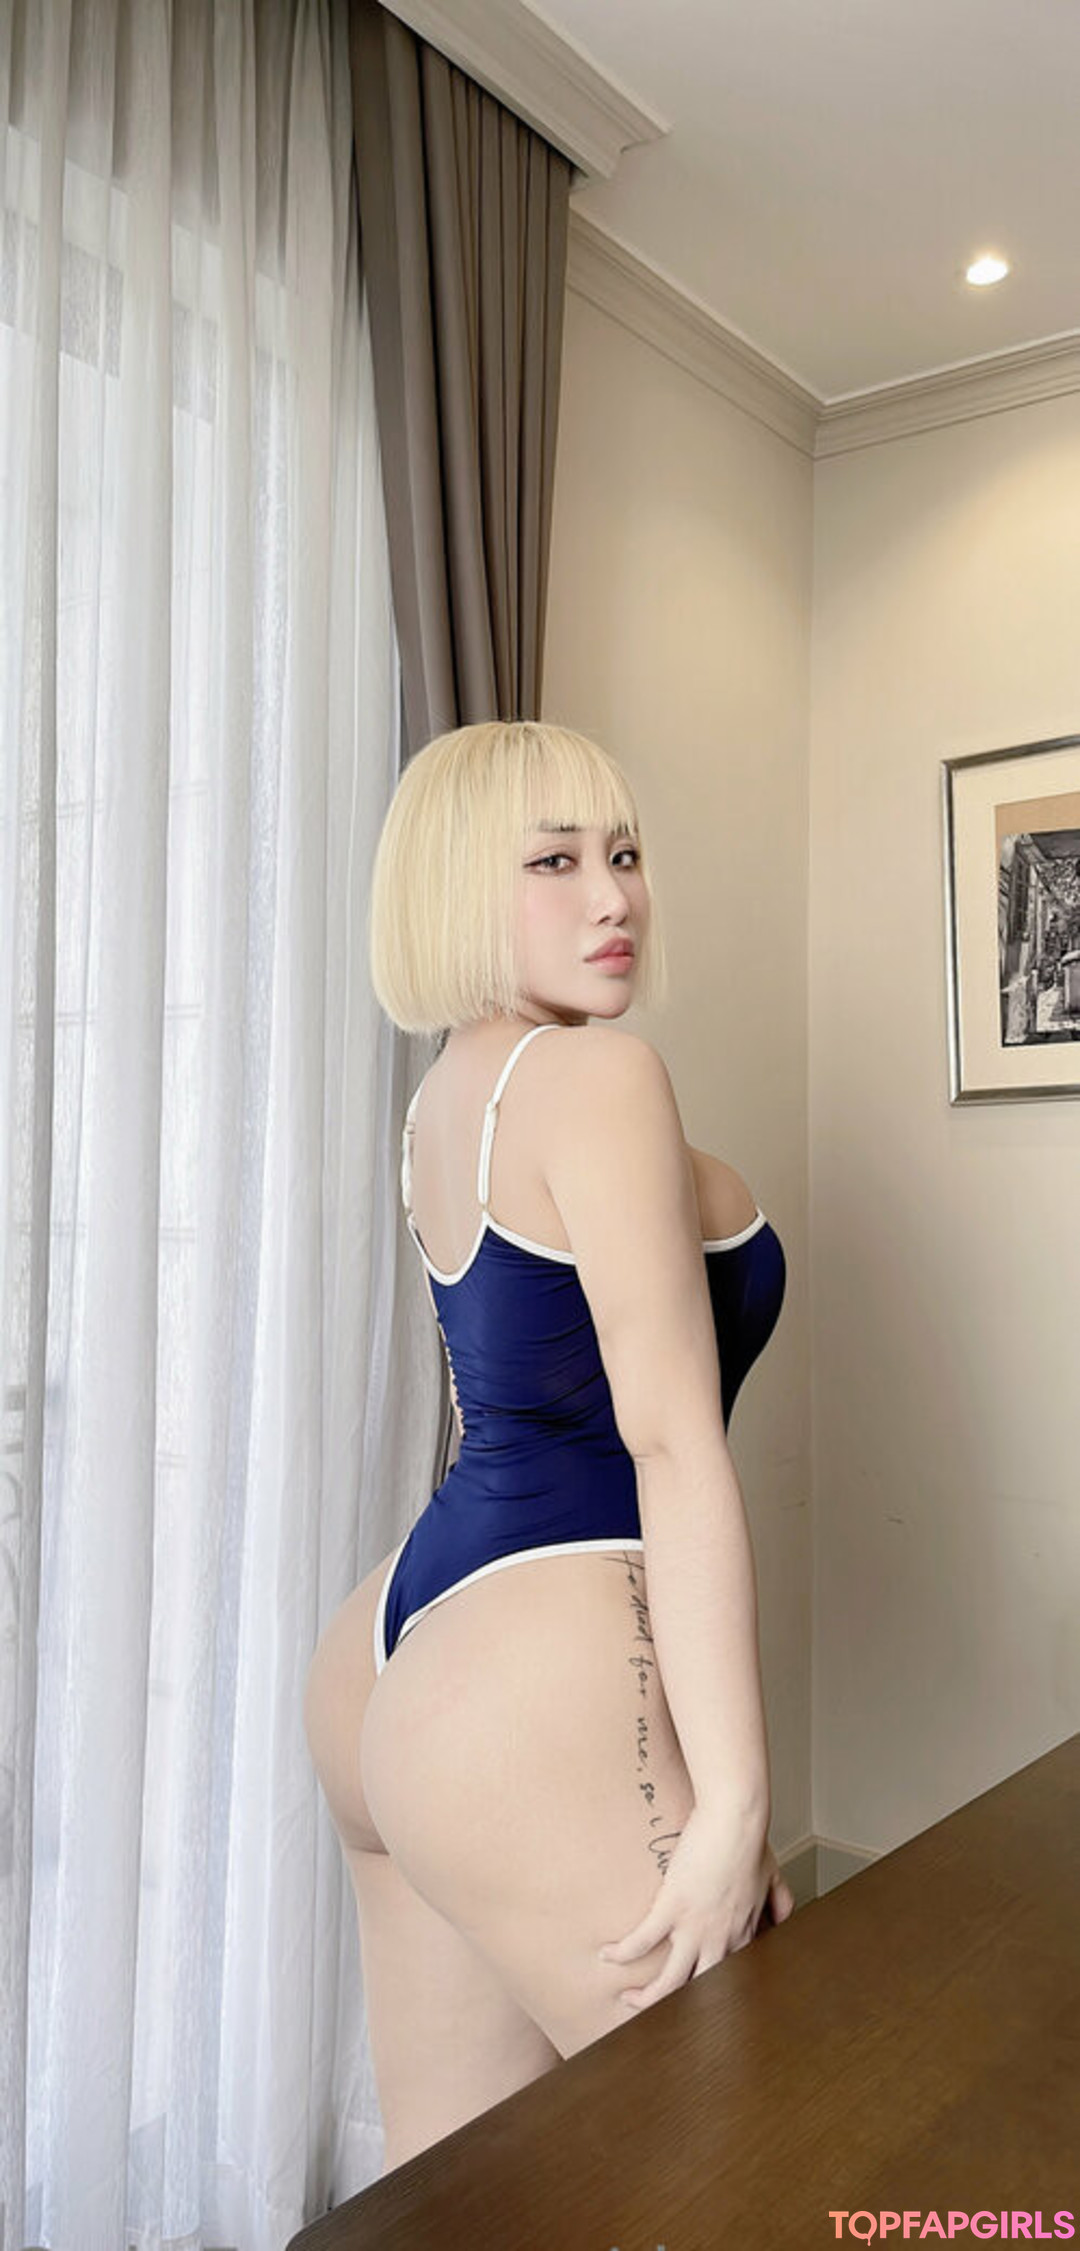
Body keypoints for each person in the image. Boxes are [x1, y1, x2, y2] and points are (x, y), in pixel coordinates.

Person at [303, 719, 794, 2176]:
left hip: (397, 1657)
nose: (614, 897)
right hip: (529, 1661)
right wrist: (736, 1803)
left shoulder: (446, 1096)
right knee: (770, 2153)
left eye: (623, 854)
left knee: (466, 2186)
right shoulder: (598, 1079)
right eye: (555, 862)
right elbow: (668, 1447)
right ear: (462, 886)